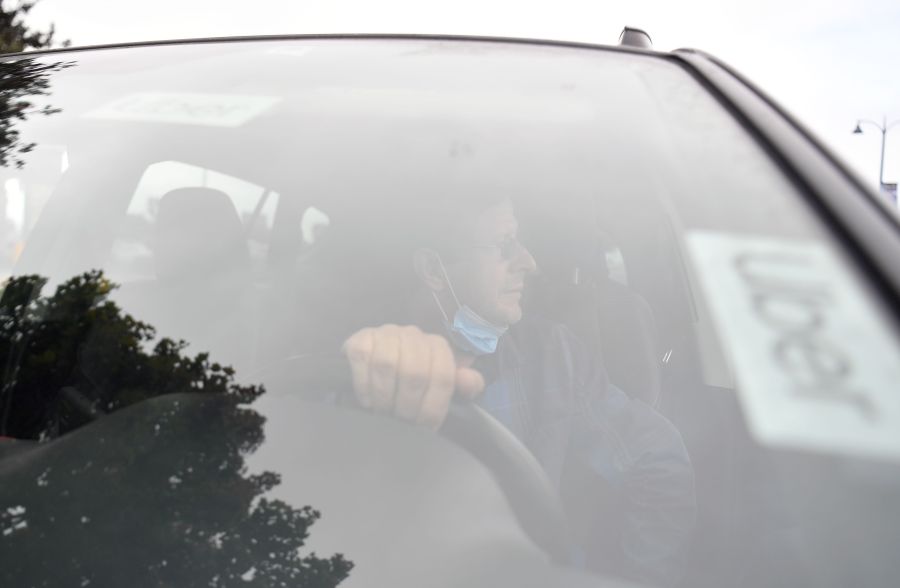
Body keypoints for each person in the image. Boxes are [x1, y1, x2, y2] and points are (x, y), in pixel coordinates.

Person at [341, 196, 695, 586]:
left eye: (521, 242)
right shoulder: (356, 367)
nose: (529, 262)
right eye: (505, 245)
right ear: (433, 270)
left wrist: (641, 580)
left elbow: (658, 456)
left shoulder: (552, 355)